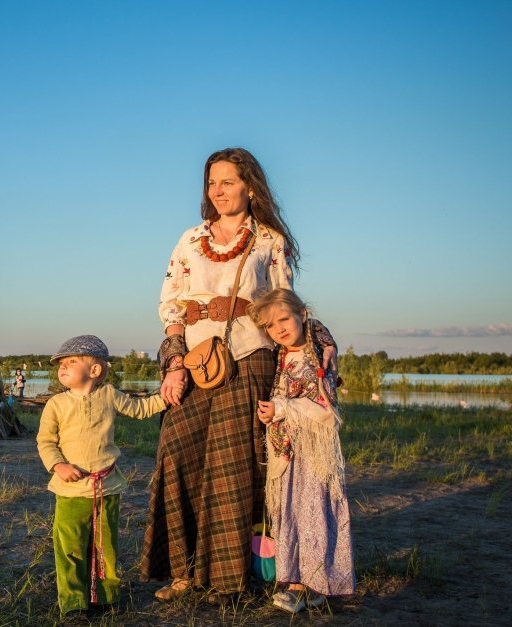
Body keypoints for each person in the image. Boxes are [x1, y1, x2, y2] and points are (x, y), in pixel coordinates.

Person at [140, 147, 334, 604]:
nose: (218, 191)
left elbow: (285, 301)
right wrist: (173, 363)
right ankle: (184, 571)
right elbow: (171, 304)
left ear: (249, 186)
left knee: (230, 469)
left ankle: (227, 581)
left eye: (227, 182)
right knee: (175, 451)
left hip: (250, 358)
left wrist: (318, 345)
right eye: (211, 183)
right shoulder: (190, 240)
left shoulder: (268, 240)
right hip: (196, 361)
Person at [36, 335, 166, 616]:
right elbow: (45, 442)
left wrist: (166, 396)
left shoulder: (109, 396)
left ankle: (105, 598)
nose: (63, 367)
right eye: (60, 363)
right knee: (70, 548)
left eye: (71, 361)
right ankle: (73, 602)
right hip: (70, 491)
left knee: (105, 547)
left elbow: (140, 409)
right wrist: (58, 465)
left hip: (107, 487)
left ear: (94, 371)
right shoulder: (56, 404)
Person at [251, 289, 354, 613]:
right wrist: (271, 413)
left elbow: (326, 409)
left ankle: (306, 584)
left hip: (313, 455)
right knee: (290, 514)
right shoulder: (282, 358)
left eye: (284, 319)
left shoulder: (318, 356)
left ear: (302, 315)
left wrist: (281, 407)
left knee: (312, 514)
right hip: (289, 453)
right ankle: (304, 583)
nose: (279, 328)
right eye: (270, 325)